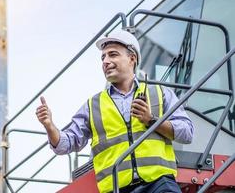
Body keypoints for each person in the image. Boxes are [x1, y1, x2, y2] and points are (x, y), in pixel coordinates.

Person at [35, 29, 194, 193]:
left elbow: (187, 133)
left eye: (112, 54)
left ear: (132, 58)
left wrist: (151, 120)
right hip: (116, 188)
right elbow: (64, 144)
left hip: (158, 184)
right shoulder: (93, 105)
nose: (105, 61)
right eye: (103, 57)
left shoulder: (160, 94)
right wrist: (49, 126)